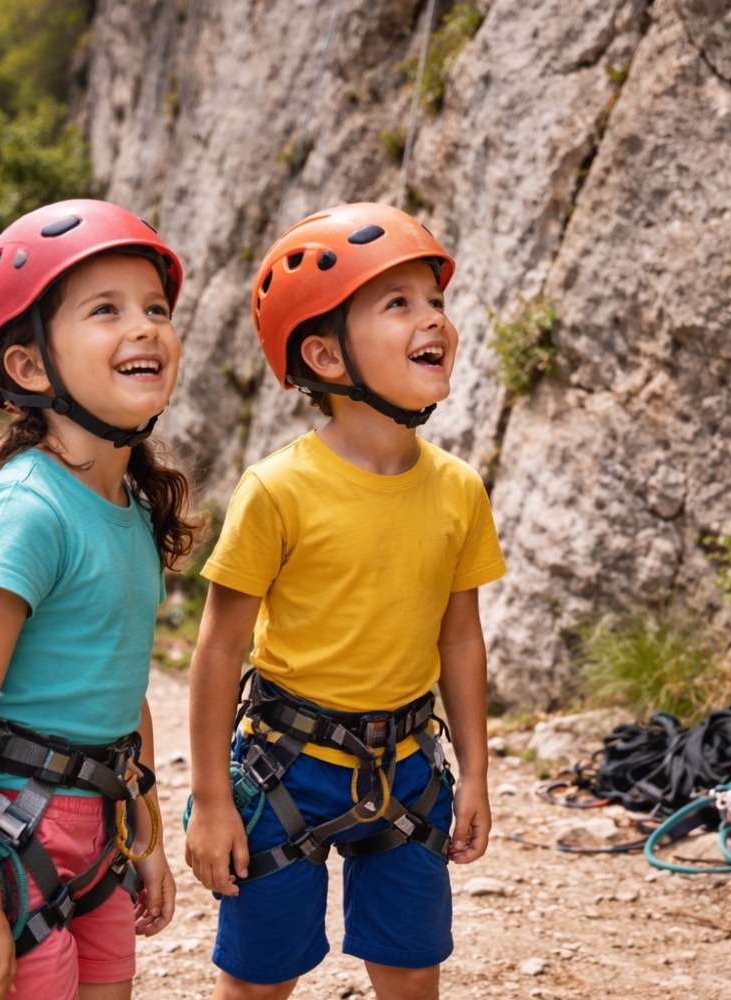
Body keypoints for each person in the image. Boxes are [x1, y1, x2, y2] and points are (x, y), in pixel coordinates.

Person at [184, 201, 507, 1000]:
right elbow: (220, 649)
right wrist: (212, 803)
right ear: (325, 355)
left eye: (434, 301)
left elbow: (461, 640)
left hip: (407, 766)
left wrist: (475, 773)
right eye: (398, 303)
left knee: (410, 968)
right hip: (289, 769)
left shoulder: (459, 489)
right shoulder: (277, 490)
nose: (433, 318)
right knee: (260, 978)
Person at [0, 199, 200, 1000]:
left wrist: (145, 834)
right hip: (5, 836)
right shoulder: (26, 511)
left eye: (154, 308)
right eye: (105, 310)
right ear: (32, 369)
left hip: (96, 825)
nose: (144, 326)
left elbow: (121, 694)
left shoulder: (130, 509)